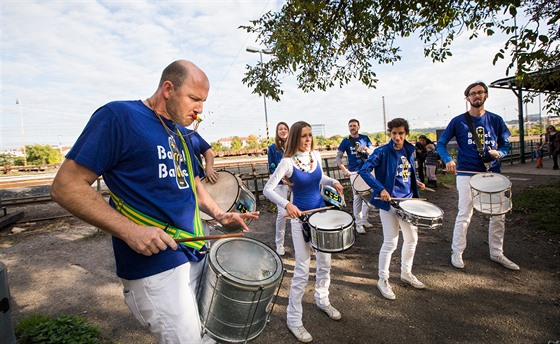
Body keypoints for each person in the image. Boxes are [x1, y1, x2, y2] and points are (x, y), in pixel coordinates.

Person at [50, 60, 259, 344]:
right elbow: (66, 186)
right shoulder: (119, 116)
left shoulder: (182, 133)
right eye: (194, 99)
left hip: (194, 252)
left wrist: (220, 215)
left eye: (204, 101)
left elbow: (193, 185)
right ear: (168, 89)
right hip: (155, 267)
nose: (200, 110)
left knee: (209, 335)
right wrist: (129, 230)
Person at [263, 121, 344, 343]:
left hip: (321, 218)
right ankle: (293, 319)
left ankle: (322, 299)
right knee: (301, 269)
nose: (308, 139)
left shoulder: (316, 156)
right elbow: (267, 189)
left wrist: (333, 180)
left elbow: (320, 179)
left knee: (325, 263)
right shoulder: (287, 162)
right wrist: (286, 205)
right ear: (295, 138)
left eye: (310, 135)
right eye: (303, 136)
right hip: (300, 220)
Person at [436, 81, 519, 271]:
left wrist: (501, 154)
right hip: (466, 173)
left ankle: (497, 252)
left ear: (486, 95)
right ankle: (457, 252)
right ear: (467, 98)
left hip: (492, 172)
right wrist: (448, 159)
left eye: (480, 92)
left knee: (498, 213)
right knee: (465, 213)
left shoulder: (496, 120)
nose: (476, 96)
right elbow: (441, 143)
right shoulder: (458, 121)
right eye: (472, 93)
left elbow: (505, 144)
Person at [359, 118, 427, 300]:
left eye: (401, 133)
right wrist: (380, 188)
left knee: (412, 239)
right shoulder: (381, 152)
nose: (397, 137)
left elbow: (407, 172)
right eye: (394, 133)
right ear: (389, 133)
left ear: (406, 134)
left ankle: (406, 273)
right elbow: (364, 171)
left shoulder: (409, 150)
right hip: (390, 204)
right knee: (391, 242)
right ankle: (383, 279)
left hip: (409, 202)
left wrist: (415, 181)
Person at [336, 118, 374, 234]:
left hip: (367, 171)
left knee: (368, 196)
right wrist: (344, 170)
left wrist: (367, 149)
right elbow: (338, 157)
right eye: (350, 126)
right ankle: (358, 224)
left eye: (354, 125)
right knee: (357, 198)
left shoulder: (365, 138)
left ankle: (364, 219)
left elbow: (373, 153)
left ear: (359, 127)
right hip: (354, 173)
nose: (352, 128)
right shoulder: (346, 141)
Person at [267, 121, 290, 255]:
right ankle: (279, 244)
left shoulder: (293, 146)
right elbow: (271, 167)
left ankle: (306, 241)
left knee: (300, 212)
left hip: (294, 184)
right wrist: (283, 178)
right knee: (282, 214)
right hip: (280, 185)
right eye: (280, 129)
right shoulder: (272, 148)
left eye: (285, 128)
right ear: (277, 131)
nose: (283, 131)